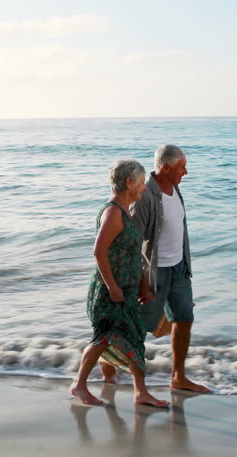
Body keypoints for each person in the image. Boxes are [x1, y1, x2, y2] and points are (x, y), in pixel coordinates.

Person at [70, 159, 170, 407]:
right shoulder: (113, 212)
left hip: (125, 290)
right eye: (142, 183)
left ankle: (137, 391)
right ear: (129, 182)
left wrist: (142, 284)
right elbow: (98, 252)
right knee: (104, 338)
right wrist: (114, 288)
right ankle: (80, 385)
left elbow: (132, 254)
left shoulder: (125, 211)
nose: (144, 188)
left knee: (133, 336)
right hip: (109, 292)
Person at [130, 145, 210, 393]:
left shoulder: (175, 188)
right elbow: (132, 244)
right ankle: (131, 382)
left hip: (179, 268)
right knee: (139, 327)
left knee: (184, 318)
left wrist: (185, 263)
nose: (185, 172)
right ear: (165, 167)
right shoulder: (145, 196)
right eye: (181, 167)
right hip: (154, 272)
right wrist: (142, 282)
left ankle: (178, 377)